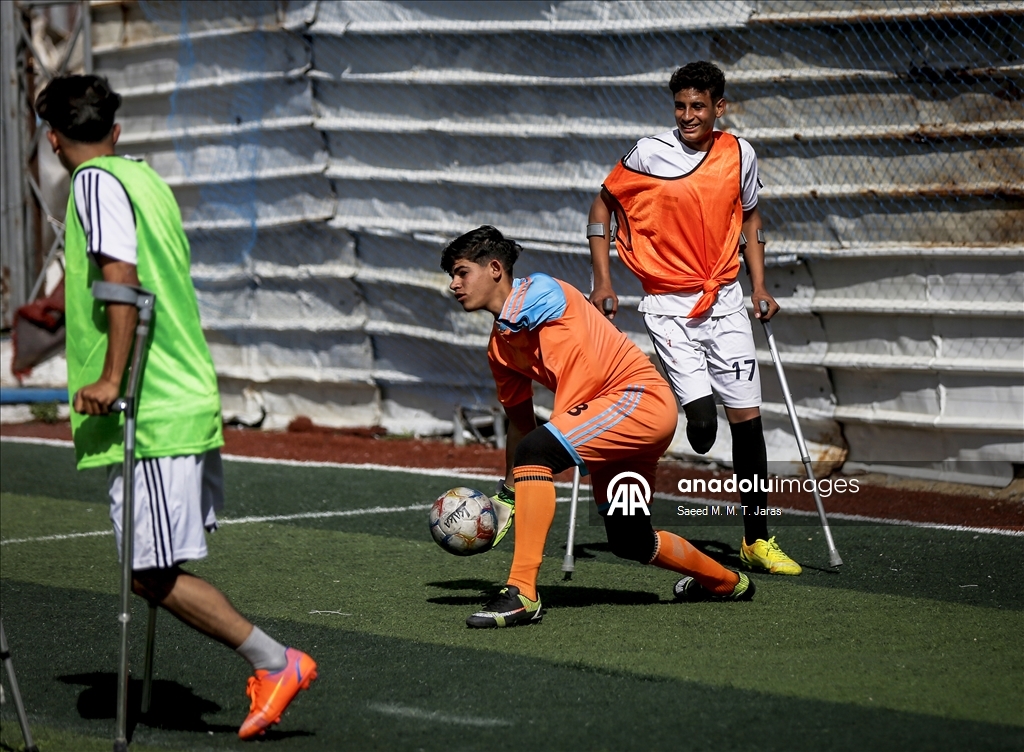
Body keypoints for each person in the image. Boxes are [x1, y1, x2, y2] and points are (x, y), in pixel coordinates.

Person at [36, 74, 317, 738]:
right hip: (173, 394)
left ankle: (277, 661)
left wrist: (110, 379)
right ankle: (274, 662)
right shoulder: (146, 181)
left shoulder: (94, 184)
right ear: (116, 128)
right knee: (150, 570)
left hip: (153, 404)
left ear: (53, 139)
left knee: (148, 574)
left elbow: (122, 285)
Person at [442, 225, 754, 629]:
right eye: (452, 275)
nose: (454, 284)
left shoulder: (542, 293)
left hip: (637, 400)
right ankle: (728, 582)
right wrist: (507, 494)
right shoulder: (500, 348)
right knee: (630, 539)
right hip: (616, 420)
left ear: (496, 269)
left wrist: (538, 454)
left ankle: (522, 593)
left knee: (538, 453)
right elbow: (520, 424)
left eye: (461, 272)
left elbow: (538, 435)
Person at [586, 60, 802, 576]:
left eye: (698, 106)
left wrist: (761, 286)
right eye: (680, 106)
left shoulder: (739, 153)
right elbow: (601, 209)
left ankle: (757, 540)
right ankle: (655, 477)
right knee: (703, 426)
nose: (687, 115)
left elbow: (750, 218)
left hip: (725, 300)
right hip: (668, 304)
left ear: (718, 107)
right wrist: (604, 280)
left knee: (747, 424)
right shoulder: (647, 153)